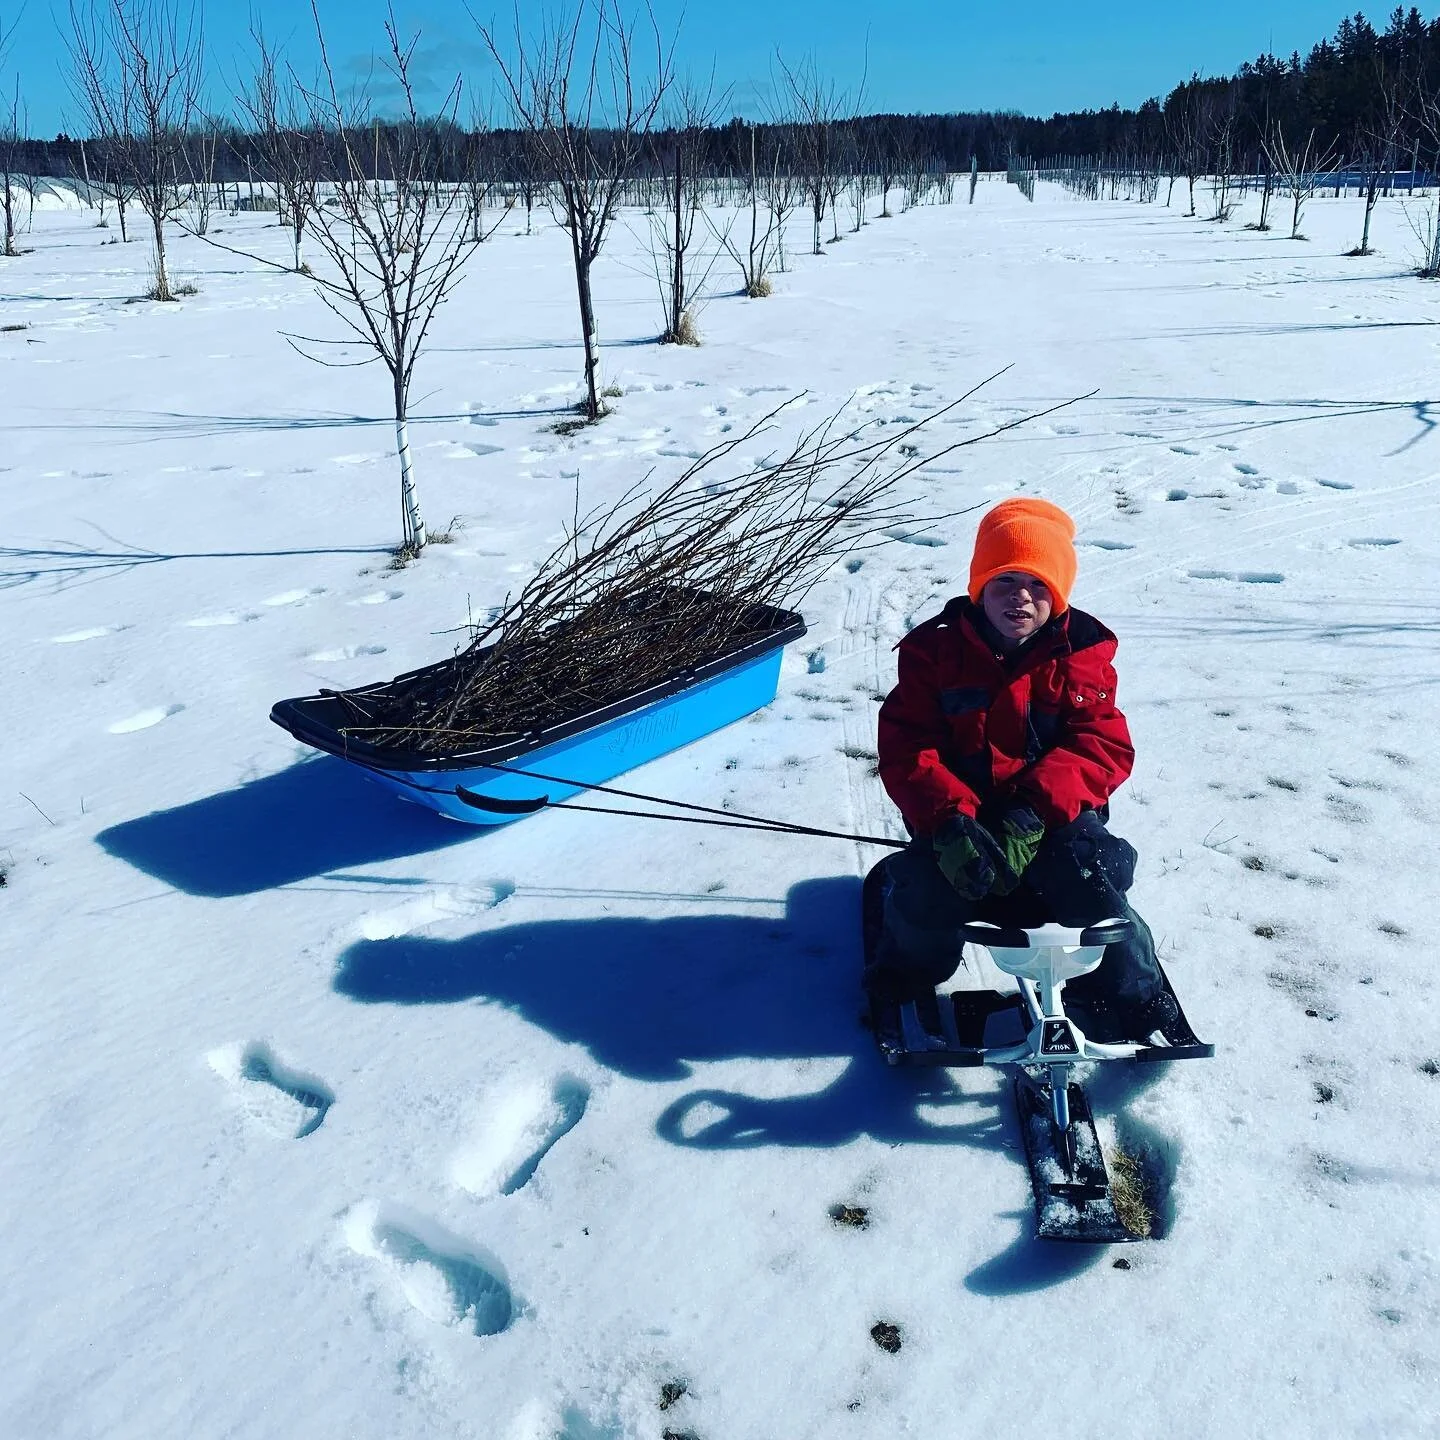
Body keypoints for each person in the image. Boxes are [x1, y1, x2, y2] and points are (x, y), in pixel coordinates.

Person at [868, 496, 1179, 1042]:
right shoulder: (934, 653)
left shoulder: (1080, 654)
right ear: (979, 588)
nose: (1021, 597)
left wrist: (1033, 810)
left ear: (1057, 595)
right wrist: (949, 820)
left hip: (1052, 818)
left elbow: (1100, 744)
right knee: (928, 892)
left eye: (1038, 584)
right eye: (1005, 581)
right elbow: (908, 747)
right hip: (960, 821)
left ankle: (1132, 996)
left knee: (1093, 880)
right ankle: (904, 978)